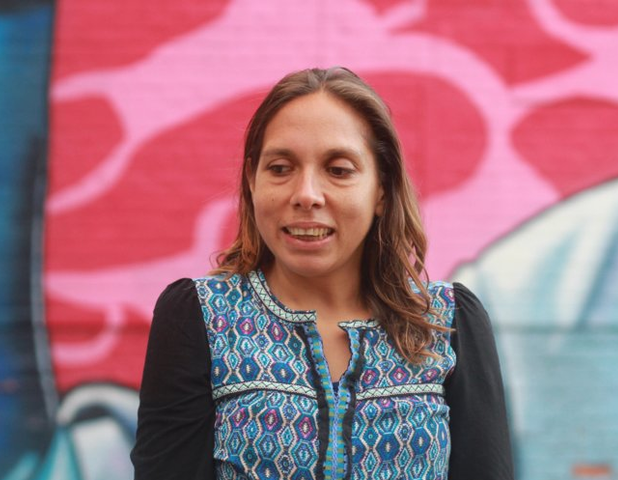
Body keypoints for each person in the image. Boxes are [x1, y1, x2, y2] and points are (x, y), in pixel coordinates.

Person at [130, 67, 514, 480]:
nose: (306, 195)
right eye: (281, 168)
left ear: (381, 189)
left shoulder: (447, 321)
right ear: (252, 181)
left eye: (339, 170)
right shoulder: (201, 317)